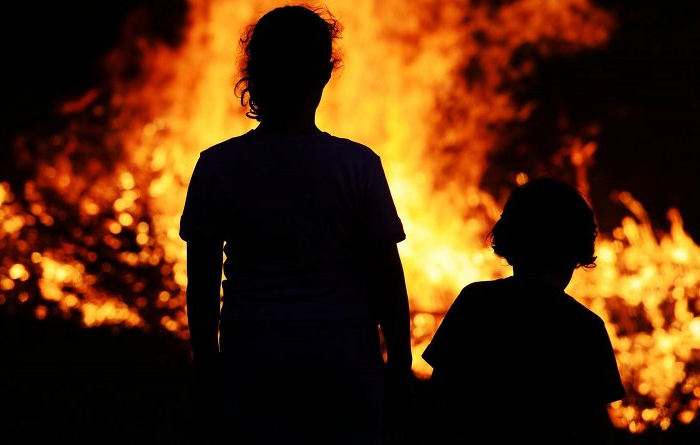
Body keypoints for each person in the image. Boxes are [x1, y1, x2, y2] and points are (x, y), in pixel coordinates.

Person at [179, 5, 412, 445]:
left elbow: (203, 287)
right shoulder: (358, 166)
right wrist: (398, 368)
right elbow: (387, 281)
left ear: (254, 72)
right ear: (325, 74)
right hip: (342, 358)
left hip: (254, 355)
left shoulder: (217, 166)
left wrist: (207, 372)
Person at [420, 177, 626, 445]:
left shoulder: (475, 301)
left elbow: (440, 400)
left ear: (509, 241)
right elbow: (595, 426)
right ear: (577, 251)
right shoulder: (585, 327)